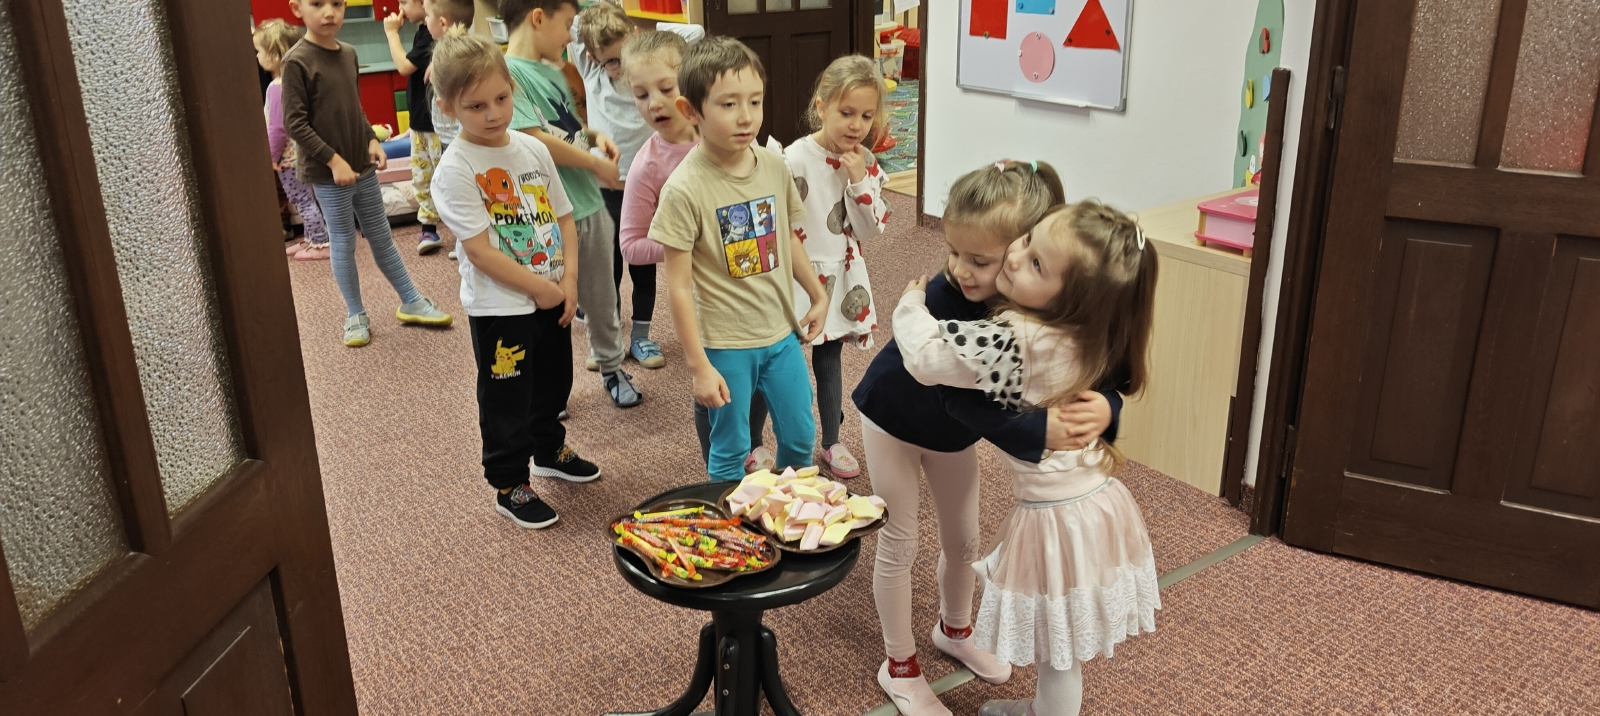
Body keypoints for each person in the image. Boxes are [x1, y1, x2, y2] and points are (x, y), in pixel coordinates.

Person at [852, 161, 1121, 715]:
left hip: (952, 433)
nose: (959, 270)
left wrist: (1106, 407)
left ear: (1023, 251)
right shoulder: (946, 295)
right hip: (892, 419)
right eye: (953, 252)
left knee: (964, 540)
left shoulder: (1033, 306)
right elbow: (935, 370)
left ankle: (954, 629)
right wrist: (909, 305)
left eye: (979, 260)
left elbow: (1089, 366)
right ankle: (898, 665)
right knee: (900, 541)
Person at [894, 198, 1161, 716]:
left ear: (1070, 300)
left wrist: (910, 305)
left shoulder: (1018, 341)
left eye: (1037, 263)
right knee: (1062, 648)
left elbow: (926, 359)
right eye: (1027, 239)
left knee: (1057, 654)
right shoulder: (1093, 334)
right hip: (1101, 503)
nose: (1014, 257)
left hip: (1055, 518)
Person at [430, 27, 602, 529]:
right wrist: (541, 288)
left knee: (553, 380)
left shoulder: (532, 149)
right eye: (476, 106)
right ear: (447, 108)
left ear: (513, 89)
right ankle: (509, 482)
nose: (493, 114)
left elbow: (564, 216)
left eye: (501, 99)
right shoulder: (455, 168)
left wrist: (568, 281)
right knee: (507, 395)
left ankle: (549, 448)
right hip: (501, 308)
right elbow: (481, 252)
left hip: (554, 293)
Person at [650, 37, 830, 482]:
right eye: (729, 104)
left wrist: (817, 294)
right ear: (691, 110)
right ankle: (731, 523)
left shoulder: (773, 165)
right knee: (731, 449)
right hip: (726, 343)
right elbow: (678, 287)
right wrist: (699, 366)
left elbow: (786, 238)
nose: (746, 116)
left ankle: (790, 513)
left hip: (781, 333)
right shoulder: (683, 189)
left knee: (800, 436)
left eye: (755, 101)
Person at [281, 0, 452, 347]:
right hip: (328, 173)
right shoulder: (296, 61)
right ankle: (355, 313)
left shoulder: (348, 53)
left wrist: (371, 139)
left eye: (337, 4)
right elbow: (295, 123)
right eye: (317, 4)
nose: (329, 12)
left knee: (381, 236)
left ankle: (411, 299)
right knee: (343, 241)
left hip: (361, 164)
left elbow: (354, 107)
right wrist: (333, 161)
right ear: (297, 9)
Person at [500, 0, 642, 408]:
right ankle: (550, 388)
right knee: (551, 304)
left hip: (587, 203)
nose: (568, 36)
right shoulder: (507, 72)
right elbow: (532, 137)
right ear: (537, 18)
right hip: (546, 213)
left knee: (602, 296)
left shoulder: (551, 69)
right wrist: (595, 164)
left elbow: (563, 127)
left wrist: (593, 136)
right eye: (566, 25)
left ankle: (612, 367)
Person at [571, 2, 703, 371]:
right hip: (605, 191)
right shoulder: (592, 71)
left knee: (644, 271)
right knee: (607, 270)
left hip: (647, 190)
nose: (614, 68)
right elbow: (574, 24)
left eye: (618, 59)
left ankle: (642, 335)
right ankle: (609, 338)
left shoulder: (642, 70)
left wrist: (638, 39)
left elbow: (694, 34)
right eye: (607, 61)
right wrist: (596, 39)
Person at [782, 54, 891, 479]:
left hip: (841, 272)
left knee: (829, 360)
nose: (856, 125)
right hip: (797, 275)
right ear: (821, 106)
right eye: (846, 113)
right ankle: (754, 442)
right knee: (776, 359)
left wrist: (859, 180)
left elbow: (871, 228)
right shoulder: (793, 159)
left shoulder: (865, 162)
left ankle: (831, 441)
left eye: (866, 116)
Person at [255, 18, 329, 261]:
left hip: (288, 159)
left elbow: (278, 128)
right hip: (305, 155)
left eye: (259, 51)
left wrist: (271, 157)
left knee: (302, 200)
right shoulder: (296, 82)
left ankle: (320, 243)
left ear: (275, 54)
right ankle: (312, 237)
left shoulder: (276, 87)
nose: (257, 56)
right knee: (309, 198)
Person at [382, 0, 445, 254]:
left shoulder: (431, 33)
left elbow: (404, 66)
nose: (401, 7)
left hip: (438, 126)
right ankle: (428, 229)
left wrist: (391, 33)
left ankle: (462, 233)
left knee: (444, 178)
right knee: (422, 178)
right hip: (421, 125)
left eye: (404, 2)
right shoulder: (423, 31)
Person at [423, 0, 474, 260]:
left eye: (427, 16)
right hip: (452, 137)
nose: (425, 21)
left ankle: (467, 242)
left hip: (458, 138)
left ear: (442, 22)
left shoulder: (458, 56)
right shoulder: (453, 53)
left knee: (462, 191)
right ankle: (464, 241)